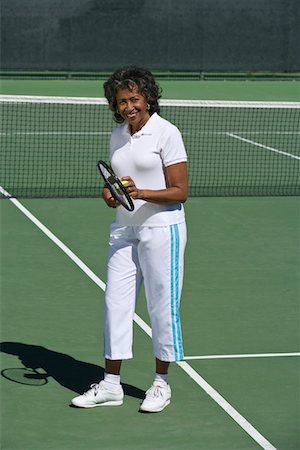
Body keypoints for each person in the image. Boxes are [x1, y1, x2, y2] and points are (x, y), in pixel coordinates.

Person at [71, 65, 188, 413]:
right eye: (121, 101)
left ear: (148, 97)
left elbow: (180, 191)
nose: (128, 107)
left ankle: (160, 384)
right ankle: (110, 385)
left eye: (134, 98)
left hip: (161, 231)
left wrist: (144, 192)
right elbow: (119, 185)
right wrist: (111, 195)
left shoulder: (167, 133)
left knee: (161, 306)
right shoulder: (118, 135)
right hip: (123, 230)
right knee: (115, 304)